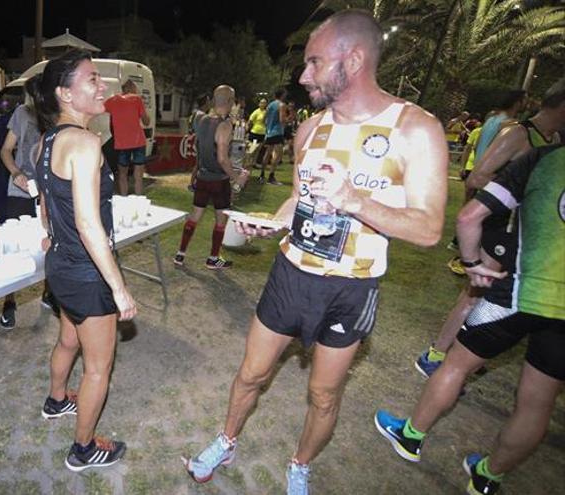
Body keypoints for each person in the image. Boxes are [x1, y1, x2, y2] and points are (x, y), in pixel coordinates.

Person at [182, 11, 448, 494]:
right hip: (292, 275)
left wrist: (354, 199)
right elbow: (299, 197)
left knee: (323, 395)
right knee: (251, 374)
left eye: (314, 63)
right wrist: (274, 223)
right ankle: (226, 439)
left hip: (351, 286)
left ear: (355, 59)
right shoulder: (310, 132)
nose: (303, 76)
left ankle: (300, 464)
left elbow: (429, 228)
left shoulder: (414, 129)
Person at [375, 144, 564, 495]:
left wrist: (472, 262)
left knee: (456, 366)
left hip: (520, 292)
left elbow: (469, 216)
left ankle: (411, 436)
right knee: (539, 401)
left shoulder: (545, 158)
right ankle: (488, 476)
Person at [27, 50, 137, 472]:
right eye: (92, 79)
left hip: (60, 266)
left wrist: (51, 234)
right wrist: (118, 287)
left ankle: (56, 400)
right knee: (97, 369)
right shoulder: (86, 143)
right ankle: (83, 448)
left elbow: (45, 203)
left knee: (69, 340)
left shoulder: (47, 141)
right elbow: (90, 227)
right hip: (87, 273)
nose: (102, 86)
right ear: (65, 94)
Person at [415, 79, 564, 377]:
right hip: (500, 230)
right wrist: (518, 195)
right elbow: (477, 177)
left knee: (503, 297)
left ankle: (467, 353)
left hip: (527, 236)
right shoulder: (518, 134)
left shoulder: (555, 139)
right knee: (475, 294)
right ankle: (436, 355)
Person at [0, 87, 59, 330]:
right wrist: (15, 172)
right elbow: (5, 150)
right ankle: (9, 302)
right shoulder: (22, 113)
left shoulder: (56, 115)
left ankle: (48, 293)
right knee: (15, 247)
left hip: (49, 191)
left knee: (50, 243)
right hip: (20, 191)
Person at [172, 85, 242, 270]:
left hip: (202, 177)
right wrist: (237, 177)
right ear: (230, 101)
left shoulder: (201, 119)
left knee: (195, 215)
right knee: (221, 219)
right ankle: (213, 258)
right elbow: (222, 159)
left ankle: (180, 254)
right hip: (219, 180)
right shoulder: (225, 125)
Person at [104, 80, 150, 195]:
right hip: (138, 142)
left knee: (122, 174)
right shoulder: (137, 99)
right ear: (131, 88)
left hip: (122, 143)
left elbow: (99, 109)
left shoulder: (113, 100)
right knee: (138, 175)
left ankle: (124, 199)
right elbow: (146, 121)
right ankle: (138, 200)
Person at [258, 88, 290, 185]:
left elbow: (264, 119)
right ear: (282, 95)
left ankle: (262, 175)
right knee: (277, 154)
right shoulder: (282, 105)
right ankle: (271, 177)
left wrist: (269, 127)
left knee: (267, 153)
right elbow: (282, 120)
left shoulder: (270, 105)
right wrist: (289, 119)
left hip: (269, 133)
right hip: (277, 132)